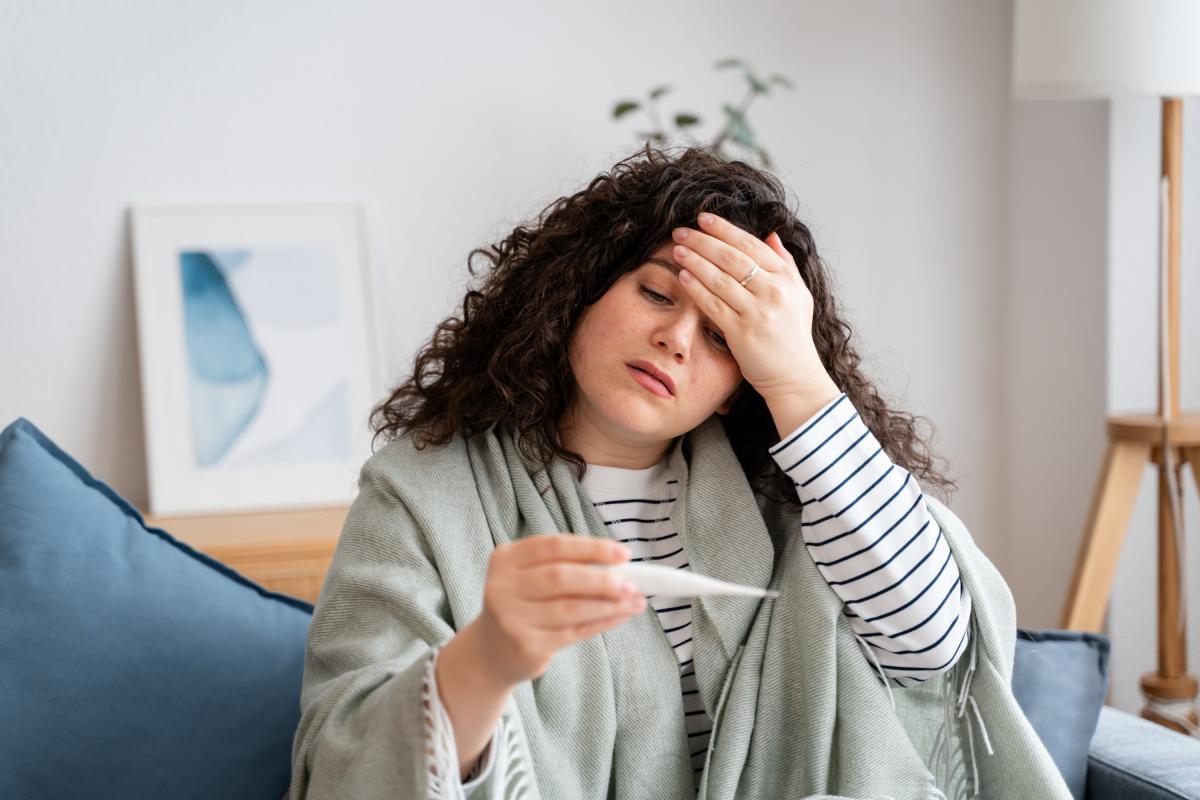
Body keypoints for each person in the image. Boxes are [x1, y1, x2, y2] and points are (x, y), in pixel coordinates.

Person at [287, 145, 1069, 800]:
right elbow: (346, 761)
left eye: (727, 337)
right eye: (657, 291)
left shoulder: (798, 507)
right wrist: (484, 660)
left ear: (744, 387)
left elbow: (934, 649)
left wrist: (798, 380)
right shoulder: (420, 498)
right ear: (578, 295)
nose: (677, 339)